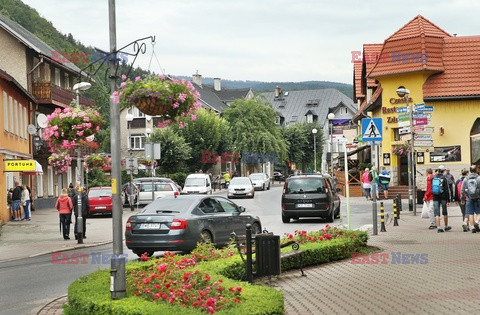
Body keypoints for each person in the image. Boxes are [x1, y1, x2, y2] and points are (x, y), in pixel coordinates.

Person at [461, 165, 480, 233]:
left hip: (469, 198)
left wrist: (462, 198)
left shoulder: (466, 179)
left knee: (470, 213)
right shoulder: (479, 178)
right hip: (478, 198)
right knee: (479, 213)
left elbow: (462, 190)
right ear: (476, 170)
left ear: (469, 171)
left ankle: (472, 227)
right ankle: (477, 222)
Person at [432, 165, 451, 233]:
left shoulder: (434, 178)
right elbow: (446, 190)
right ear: (443, 171)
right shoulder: (444, 178)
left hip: (435, 197)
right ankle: (446, 226)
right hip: (443, 197)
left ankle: (438, 227)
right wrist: (448, 200)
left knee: (436, 213)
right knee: (444, 212)